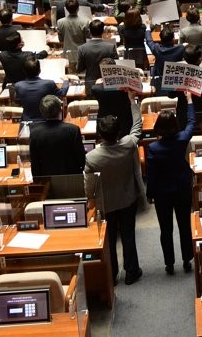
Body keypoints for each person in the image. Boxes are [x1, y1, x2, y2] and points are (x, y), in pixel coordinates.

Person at [85, 98, 145, 285]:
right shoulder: (128, 144)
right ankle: (131, 271)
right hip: (127, 198)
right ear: (119, 132)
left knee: (109, 240)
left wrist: (90, 200)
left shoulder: (92, 157)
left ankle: (112, 274)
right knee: (128, 236)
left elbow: (89, 186)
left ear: (100, 135)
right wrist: (132, 102)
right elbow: (137, 126)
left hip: (106, 203)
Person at [146, 101, 197, 275]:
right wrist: (189, 101)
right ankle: (187, 259)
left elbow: (151, 174)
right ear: (175, 125)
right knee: (184, 225)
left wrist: (149, 194)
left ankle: (169, 263)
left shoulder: (153, 148)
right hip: (182, 188)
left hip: (162, 193)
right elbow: (191, 122)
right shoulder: (182, 140)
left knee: (165, 229)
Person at [29, 95, 86, 183]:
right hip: (73, 178)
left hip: (48, 181)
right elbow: (81, 158)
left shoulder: (35, 134)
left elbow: (35, 163)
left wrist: (37, 183)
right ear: (61, 109)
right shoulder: (73, 130)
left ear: (41, 112)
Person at [14, 57, 69, 122]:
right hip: (47, 121)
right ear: (39, 70)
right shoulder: (48, 84)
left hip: (27, 121)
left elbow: (17, 101)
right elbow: (62, 93)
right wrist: (66, 81)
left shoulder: (18, 86)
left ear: (24, 71)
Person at [146, 23, 184, 89]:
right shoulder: (180, 48)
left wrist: (148, 27)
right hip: (175, 82)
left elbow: (149, 40)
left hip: (159, 82)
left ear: (161, 39)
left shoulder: (157, 49)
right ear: (173, 39)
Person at [56, 0, 89, 73]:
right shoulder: (85, 21)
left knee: (71, 76)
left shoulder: (60, 22)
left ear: (66, 9)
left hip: (68, 55)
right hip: (82, 54)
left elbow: (60, 39)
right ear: (78, 8)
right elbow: (88, 39)